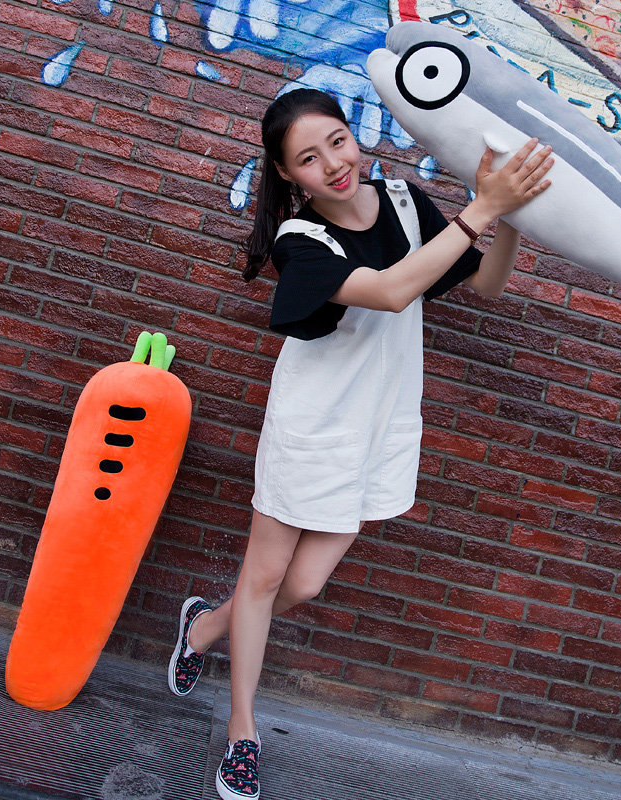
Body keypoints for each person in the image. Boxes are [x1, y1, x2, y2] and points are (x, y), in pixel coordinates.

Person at [167, 87, 553, 800]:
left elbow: (486, 285)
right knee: (265, 578)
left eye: (338, 142)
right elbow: (390, 290)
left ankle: (205, 628)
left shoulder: (406, 203)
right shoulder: (299, 241)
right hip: (312, 428)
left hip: (380, 426)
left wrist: (509, 219)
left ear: (354, 135)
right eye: (308, 159)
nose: (333, 164)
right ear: (288, 174)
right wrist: (481, 209)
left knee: (305, 585)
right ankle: (243, 732)